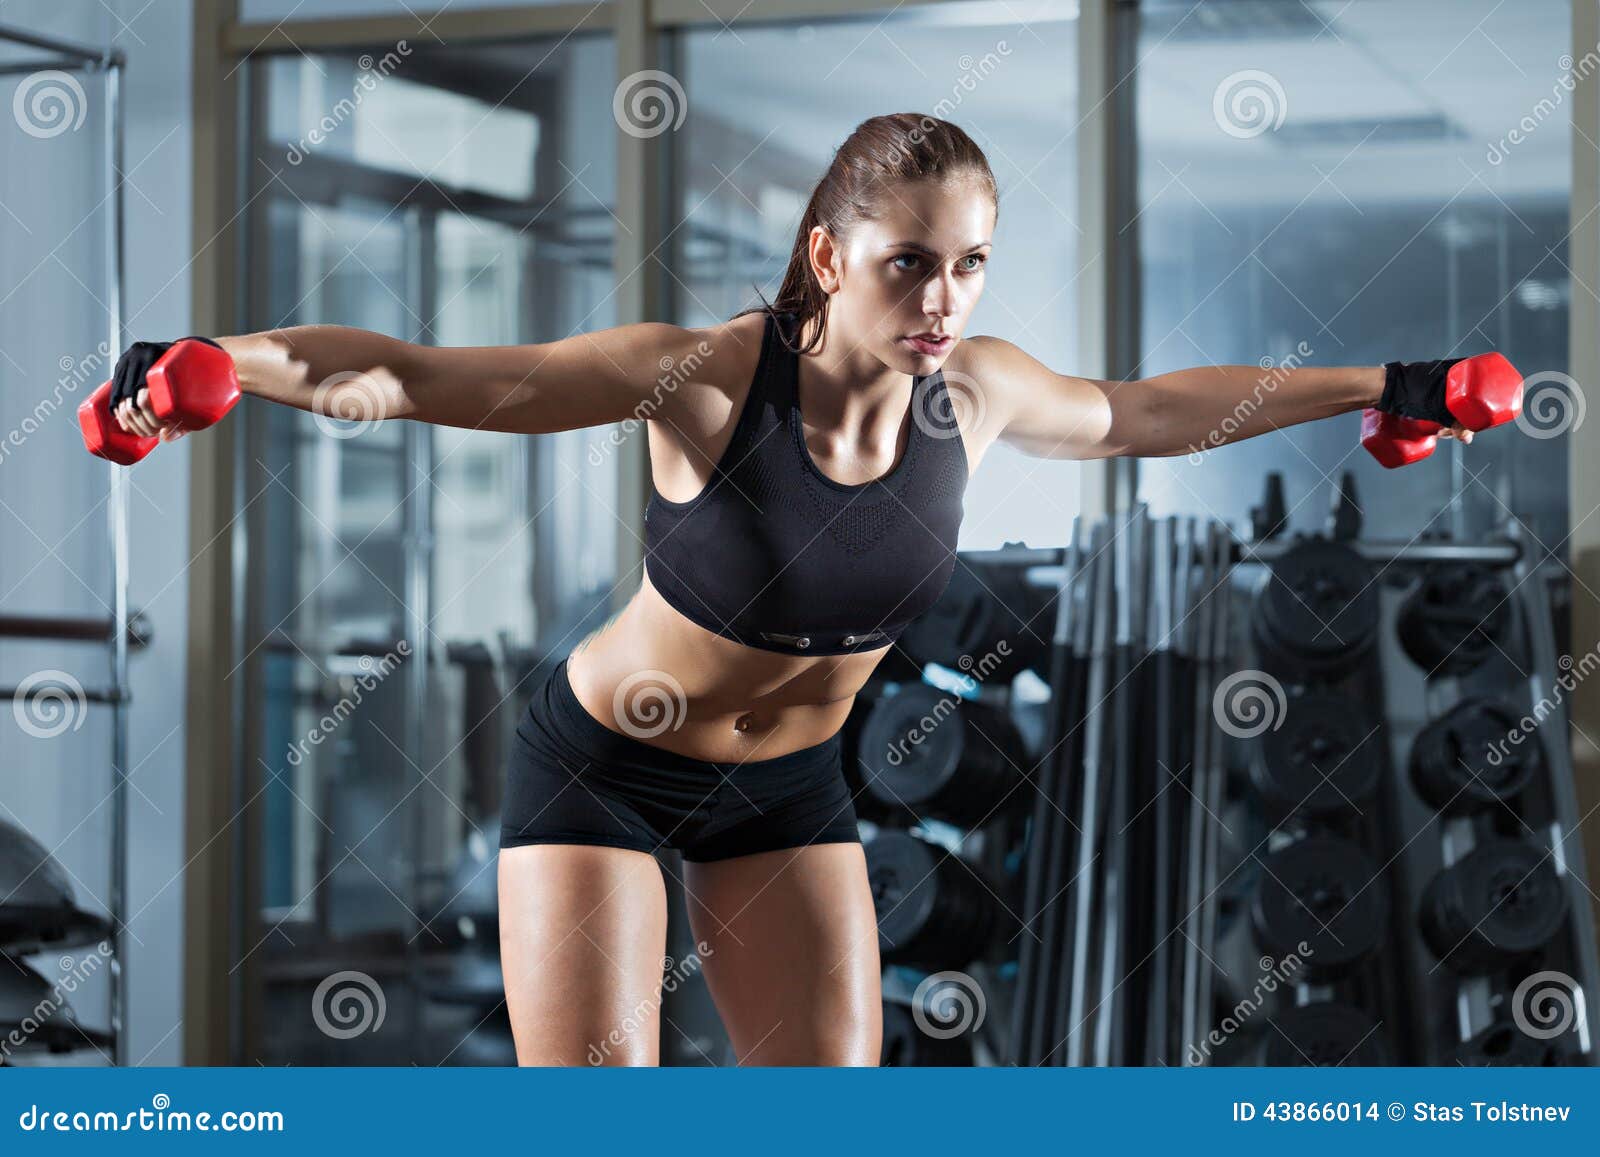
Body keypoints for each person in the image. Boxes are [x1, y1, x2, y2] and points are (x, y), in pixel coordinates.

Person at [107, 112, 1488, 1066]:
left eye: (968, 265)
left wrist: (1385, 385)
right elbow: (426, 375)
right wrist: (192, 365)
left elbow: (1142, 411)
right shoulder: (707, 380)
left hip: (792, 789)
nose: (943, 298)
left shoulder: (979, 392)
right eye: (910, 264)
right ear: (829, 258)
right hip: (604, 767)